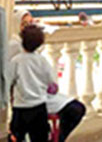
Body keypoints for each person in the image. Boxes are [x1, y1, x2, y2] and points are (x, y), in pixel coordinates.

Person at [9, 9, 86, 141]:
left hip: (30, 100)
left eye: (31, 23)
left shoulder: (26, 58)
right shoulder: (15, 47)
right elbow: (51, 81)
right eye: (24, 24)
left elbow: (9, 78)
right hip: (34, 100)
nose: (28, 27)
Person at [9, 24, 57, 142]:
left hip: (21, 106)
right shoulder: (42, 61)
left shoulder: (16, 61)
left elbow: (9, 80)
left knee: (16, 136)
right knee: (40, 137)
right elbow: (51, 82)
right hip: (39, 106)